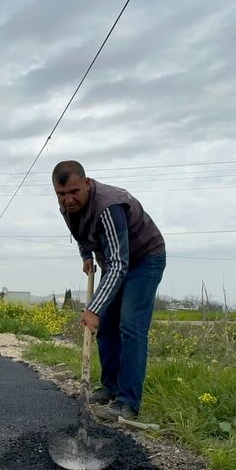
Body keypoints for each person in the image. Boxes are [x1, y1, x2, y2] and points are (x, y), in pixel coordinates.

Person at [54, 160, 166, 421]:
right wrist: (85, 255)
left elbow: (119, 263)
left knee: (131, 327)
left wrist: (93, 308)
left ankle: (128, 403)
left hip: (144, 259)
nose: (68, 199)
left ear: (87, 184)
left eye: (73, 192)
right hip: (113, 261)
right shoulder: (66, 206)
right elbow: (79, 232)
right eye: (61, 194)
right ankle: (111, 387)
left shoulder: (108, 206)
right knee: (106, 325)